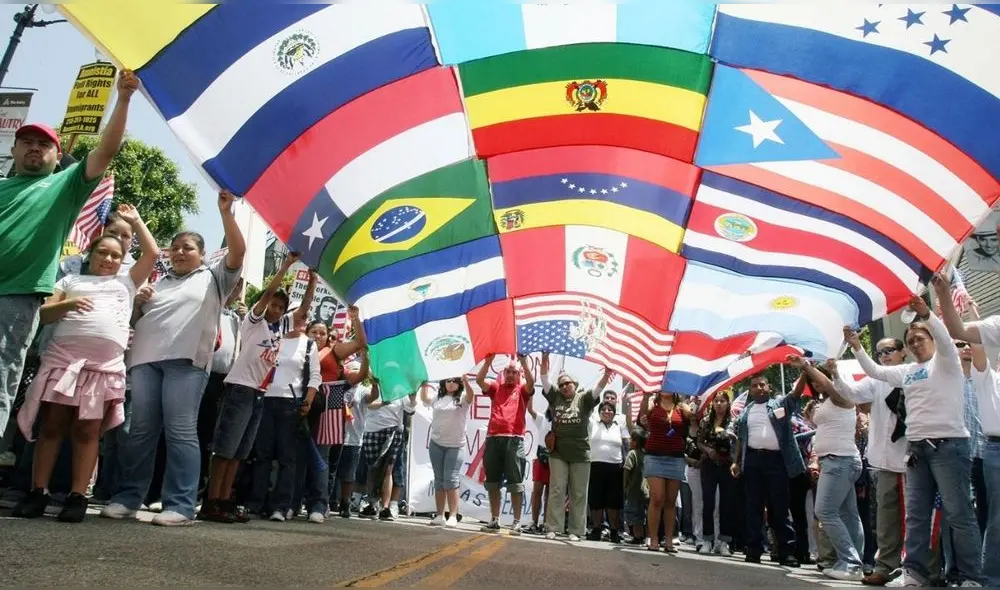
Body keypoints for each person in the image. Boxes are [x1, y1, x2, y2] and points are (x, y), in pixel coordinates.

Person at [0, 70, 139, 444]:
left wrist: (123, 97)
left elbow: (106, 150)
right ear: (12, 150)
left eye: (43, 145)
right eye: (26, 141)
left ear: (57, 156)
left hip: (14, 300)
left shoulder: (65, 186)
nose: (33, 148)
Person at [102, 190, 246, 527]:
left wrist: (226, 213)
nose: (180, 252)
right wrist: (139, 301)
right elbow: (134, 321)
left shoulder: (215, 278)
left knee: (180, 432)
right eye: (176, 247)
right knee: (140, 431)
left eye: (188, 248)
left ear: (202, 254)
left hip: (186, 366)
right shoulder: (158, 282)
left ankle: (180, 505)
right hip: (145, 362)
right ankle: (127, 497)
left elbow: (239, 252)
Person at [11, 205, 157, 522]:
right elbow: (45, 314)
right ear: (90, 253)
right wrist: (70, 303)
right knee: (51, 427)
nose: (108, 259)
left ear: (122, 260)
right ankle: (38, 492)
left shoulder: (127, 283)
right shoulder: (70, 279)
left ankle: (78, 496)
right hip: (63, 364)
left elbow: (152, 252)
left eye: (115, 255)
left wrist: (136, 221)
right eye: (102, 252)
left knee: (88, 432)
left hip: (101, 371)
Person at [847, 286, 982, 587]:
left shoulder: (946, 362)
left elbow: (947, 339)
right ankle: (916, 573)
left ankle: (971, 577)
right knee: (917, 516)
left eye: (920, 338)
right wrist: (856, 346)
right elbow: (875, 371)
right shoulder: (907, 371)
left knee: (959, 515)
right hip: (917, 452)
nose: (915, 343)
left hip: (950, 448)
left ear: (933, 341)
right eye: (910, 340)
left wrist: (926, 313)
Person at [198, 255, 307, 523]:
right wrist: (284, 267)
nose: (276, 309)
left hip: (260, 392)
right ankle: (211, 501)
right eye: (273, 304)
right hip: (239, 388)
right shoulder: (254, 322)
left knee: (240, 452)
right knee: (225, 448)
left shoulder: (279, 329)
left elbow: (303, 309)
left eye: (281, 307)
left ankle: (224, 500)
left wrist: (313, 280)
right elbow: (269, 291)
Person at [789, 356, 864, 582]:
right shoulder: (827, 402)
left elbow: (831, 386)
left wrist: (806, 367)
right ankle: (853, 561)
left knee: (825, 511)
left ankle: (850, 563)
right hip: (835, 461)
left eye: (820, 377)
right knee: (848, 514)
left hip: (841, 461)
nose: (818, 383)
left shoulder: (844, 396)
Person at [246, 308, 321, 522]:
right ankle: (256, 504)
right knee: (262, 455)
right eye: (297, 315)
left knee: (287, 458)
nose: (301, 320)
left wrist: (307, 401)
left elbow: (315, 377)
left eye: (305, 317)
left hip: (291, 404)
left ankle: (281, 506)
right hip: (266, 399)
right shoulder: (274, 337)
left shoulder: (309, 344)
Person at [730, 373, 805, 566]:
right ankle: (754, 549)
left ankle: (786, 551)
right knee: (753, 507)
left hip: (776, 461)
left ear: (769, 387)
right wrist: (736, 461)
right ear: (750, 390)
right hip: (753, 461)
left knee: (779, 507)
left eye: (762, 384)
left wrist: (804, 371)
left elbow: (795, 395)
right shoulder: (746, 412)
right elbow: (740, 439)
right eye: (754, 386)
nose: (759, 388)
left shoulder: (779, 404)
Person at [475, 353, 534, 535]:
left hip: (514, 440)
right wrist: (488, 362)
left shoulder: (522, 390)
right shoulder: (495, 388)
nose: (510, 375)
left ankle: (516, 522)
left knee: (515, 483)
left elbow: (531, 384)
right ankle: (494, 520)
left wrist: (524, 362)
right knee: (492, 482)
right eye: (507, 371)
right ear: (503, 373)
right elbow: (479, 380)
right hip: (493, 439)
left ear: (519, 375)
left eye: (513, 372)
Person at [640, 390, 694, 552]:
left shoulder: (681, 408)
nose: (666, 388)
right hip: (654, 456)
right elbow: (642, 417)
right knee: (657, 498)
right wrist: (644, 395)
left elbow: (692, 419)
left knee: (671, 501)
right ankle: (654, 538)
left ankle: (669, 540)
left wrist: (688, 406)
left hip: (676, 458)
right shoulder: (652, 405)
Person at [420, 375, 473, 527]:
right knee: (439, 479)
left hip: (455, 445)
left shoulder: (462, 398)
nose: (450, 383)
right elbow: (424, 400)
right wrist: (424, 385)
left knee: (451, 479)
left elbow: (471, 397)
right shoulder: (438, 397)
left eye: (454, 381)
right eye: (448, 381)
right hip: (436, 443)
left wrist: (467, 382)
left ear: (459, 384)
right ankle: (439, 515)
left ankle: (453, 515)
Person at [696, 391, 738, 557]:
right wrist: (708, 450)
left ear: (728, 404)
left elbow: (739, 441)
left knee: (727, 504)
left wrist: (735, 459)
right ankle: (707, 539)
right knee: (708, 502)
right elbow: (698, 442)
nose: (719, 404)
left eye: (722, 401)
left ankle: (724, 542)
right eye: (716, 401)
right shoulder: (706, 421)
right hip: (709, 465)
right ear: (712, 403)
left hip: (728, 464)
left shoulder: (733, 421)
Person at [588, 399, 630, 543]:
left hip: (615, 467)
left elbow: (627, 443)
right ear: (599, 413)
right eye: (603, 409)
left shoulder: (619, 427)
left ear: (614, 413)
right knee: (596, 500)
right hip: (595, 466)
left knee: (614, 501)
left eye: (610, 409)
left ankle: (614, 532)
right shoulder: (592, 424)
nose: (606, 411)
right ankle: (596, 530)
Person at [623, 426, 649, 545]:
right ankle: (647, 536)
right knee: (646, 514)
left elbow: (627, 470)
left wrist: (624, 485)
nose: (628, 441)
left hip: (634, 491)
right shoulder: (647, 455)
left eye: (630, 439)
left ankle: (638, 536)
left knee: (635, 515)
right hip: (647, 490)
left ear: (635, 442)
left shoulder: (632, 454)